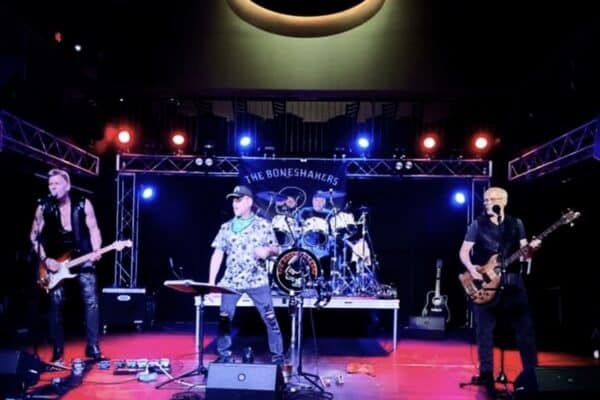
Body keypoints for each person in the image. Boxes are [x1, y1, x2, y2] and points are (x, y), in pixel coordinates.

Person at [459, 186, 540, 394]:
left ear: (503, 201)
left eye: (491, 199)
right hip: (486, 284)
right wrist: (473, 270)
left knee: (525, 329)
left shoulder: (516, 223)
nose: (487, 203)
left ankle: (532, 373)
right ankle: (486, 374)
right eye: (485, 199)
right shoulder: (477, 224)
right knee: (484, 331)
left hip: (513, 283)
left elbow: (524, 256)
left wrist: (531, 250)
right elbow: (464, 252)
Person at [30, 168, 104, 364]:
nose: (53, 187)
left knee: (91, 299)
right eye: (50, 184)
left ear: (68, 186)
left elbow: (94, 229)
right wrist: (46, 259)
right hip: (55, 261)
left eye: (57, 184)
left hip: (82, 257)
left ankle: (93, 346)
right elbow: (34, 237)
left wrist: (96, 249)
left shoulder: (83, 203)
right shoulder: (43, 207)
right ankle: (57, 350)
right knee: (55, 303)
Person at [208, 185, 285, 364]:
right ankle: (224, 355)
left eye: (239, 199)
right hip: (231, 281)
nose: (235, 204)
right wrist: (212, 283)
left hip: (257, 280)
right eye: (233, 200)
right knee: (224, 318)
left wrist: (268, 250)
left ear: (249, 201)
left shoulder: (263, 225)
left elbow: (277, 249)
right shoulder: (226, 227)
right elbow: (217, 254)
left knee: (270, 319)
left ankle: (278, 357)